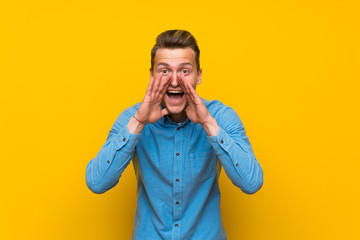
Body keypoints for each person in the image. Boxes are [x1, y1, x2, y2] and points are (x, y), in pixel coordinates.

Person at [85, 30, 264, 240]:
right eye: (164, 71)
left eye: (185, 71)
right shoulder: (132, 118)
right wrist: (139, 123)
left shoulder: (220, 116)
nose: (175, 81)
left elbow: (252, 183)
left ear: (199, 75)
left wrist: (208, 124)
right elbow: (97, 183)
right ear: (152, 75)